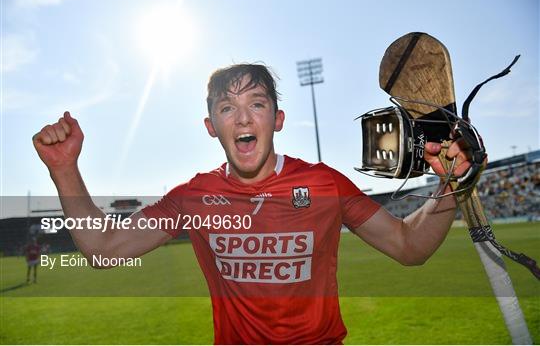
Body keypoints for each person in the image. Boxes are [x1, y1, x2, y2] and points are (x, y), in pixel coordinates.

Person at [33, 64, 473, 344]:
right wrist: (65, 169)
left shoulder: (323, 183)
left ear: (276, 119)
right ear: (212, 126)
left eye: (256, 104)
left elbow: (408, 246)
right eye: (228, 108)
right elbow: (104, 249)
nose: (243, 118)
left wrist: (449, 185)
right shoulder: (194, 197)